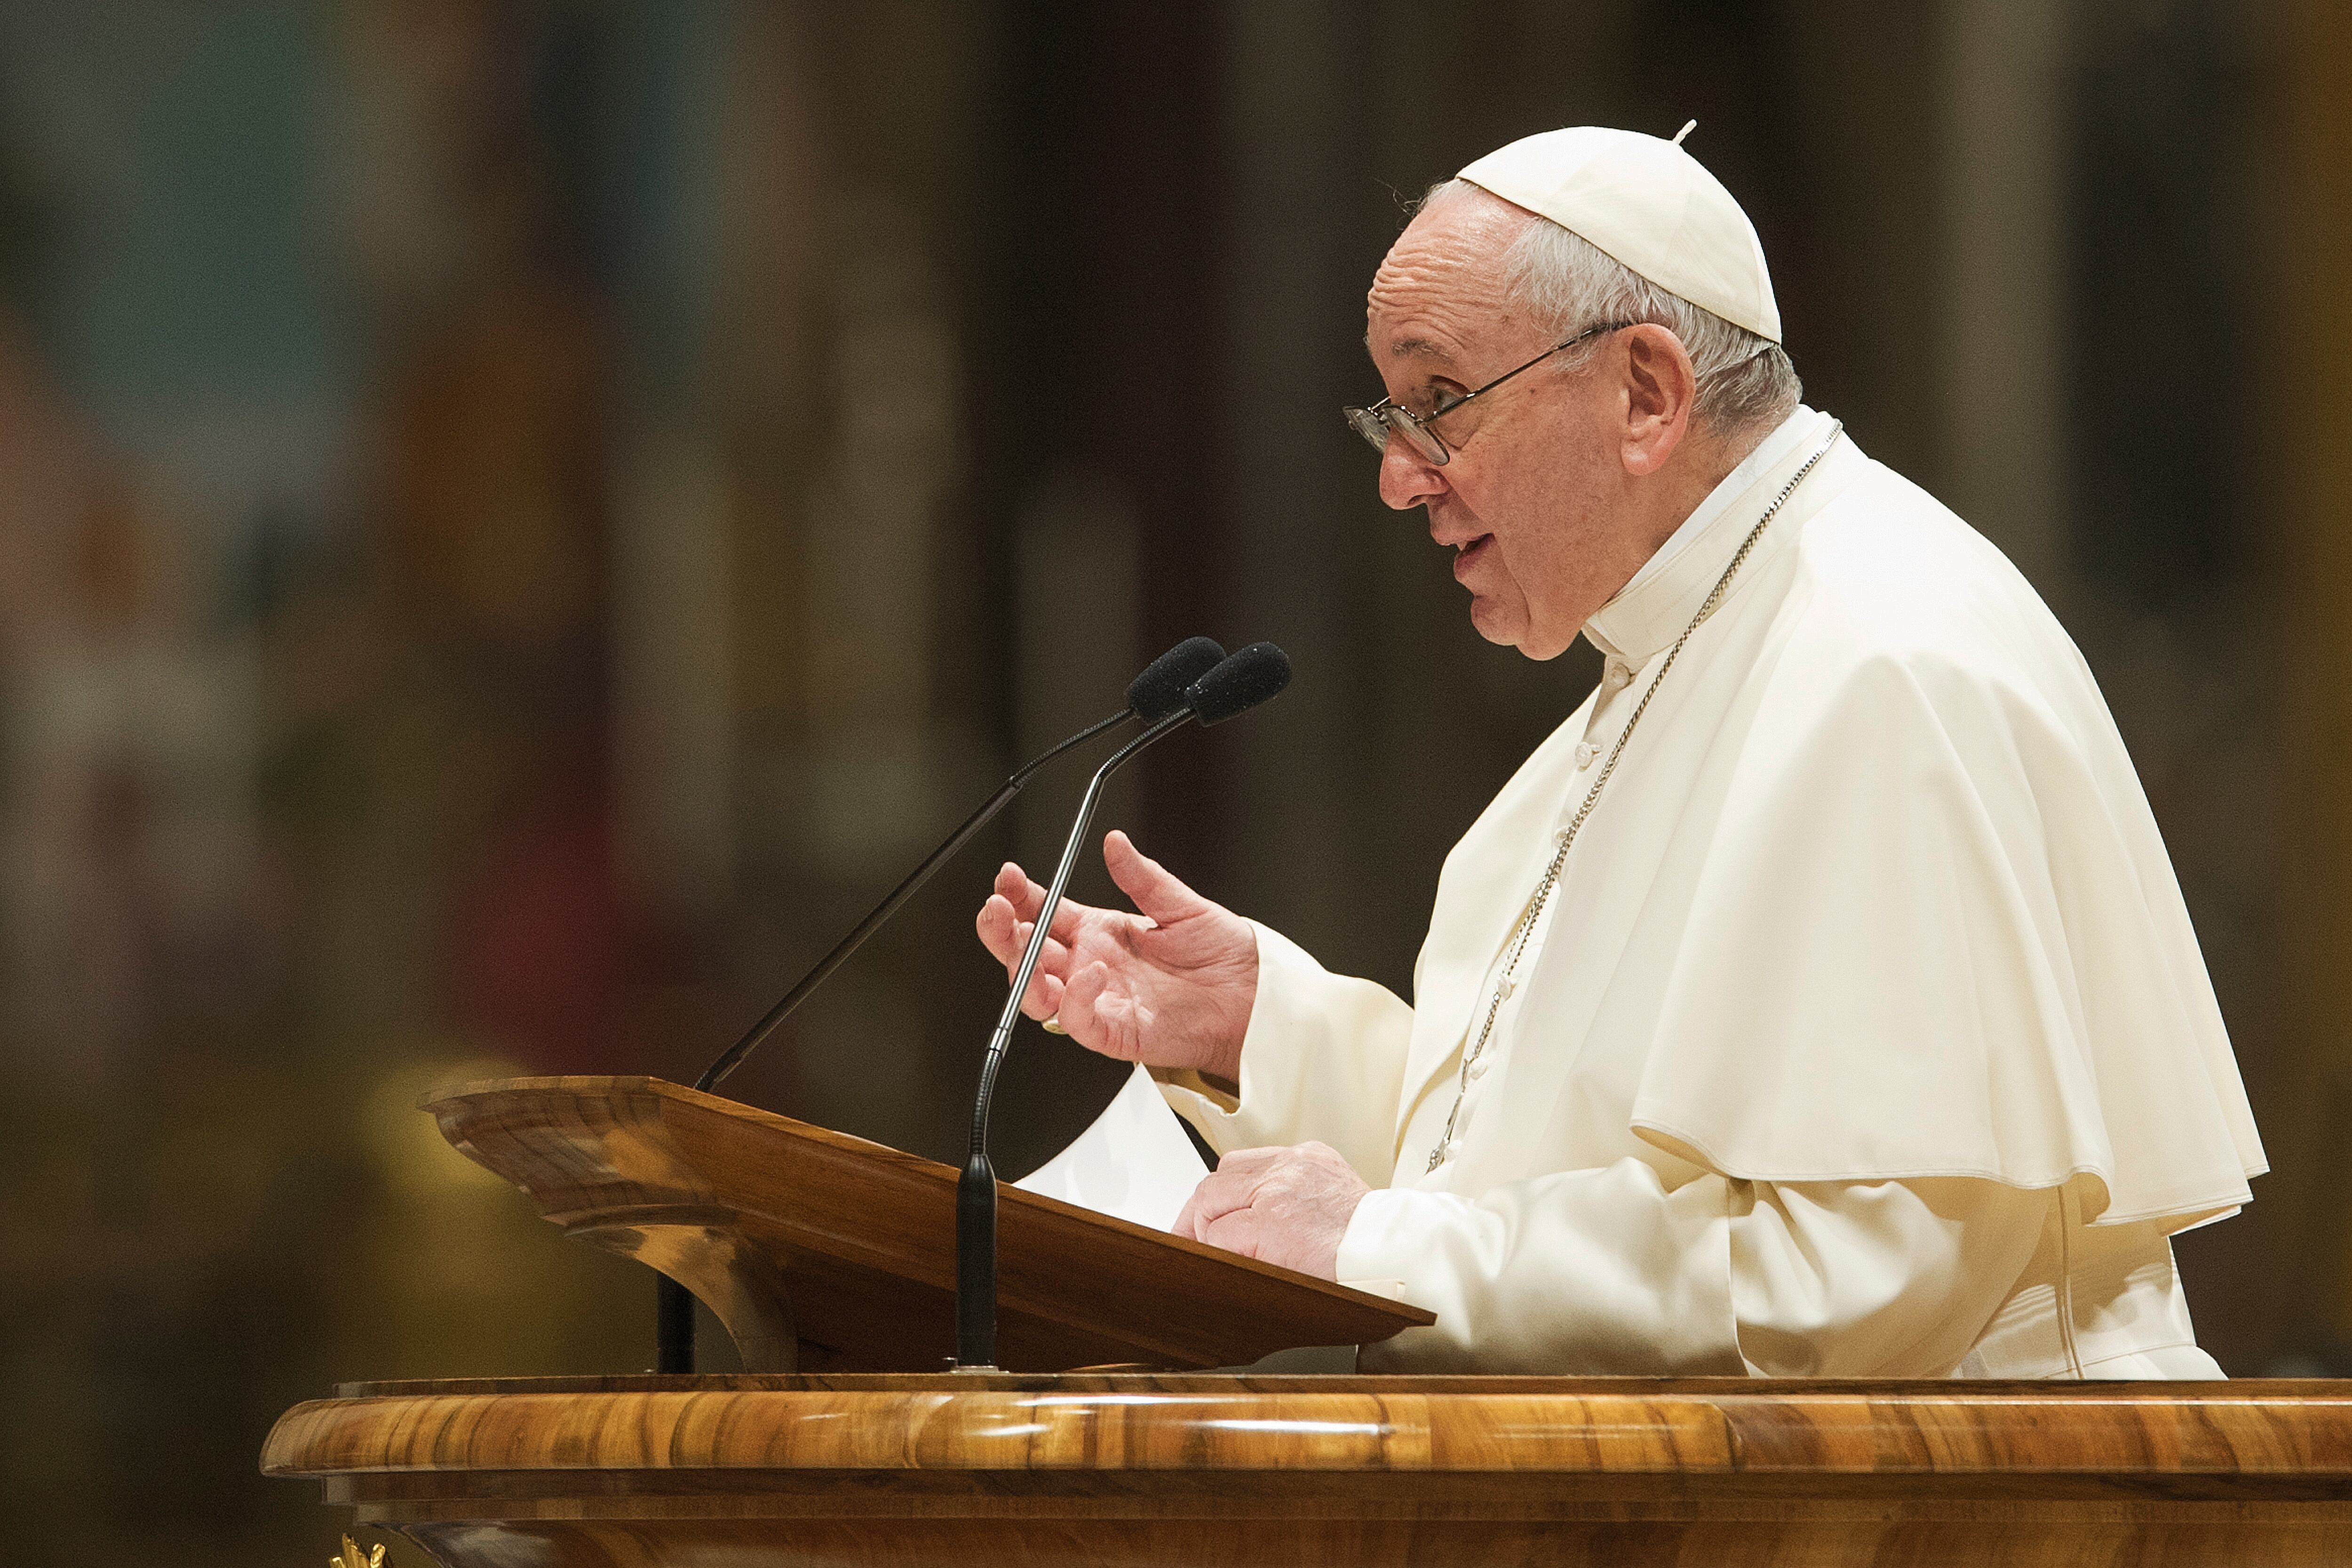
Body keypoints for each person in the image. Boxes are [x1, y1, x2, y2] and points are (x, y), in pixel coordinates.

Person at [974, 126, 2265, 1377]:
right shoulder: (1690, 647)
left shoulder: (1877, 660)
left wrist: (1377, 1246)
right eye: (1393, 414)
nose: (1400, 478)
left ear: (1646, 392)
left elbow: (1858, 1272)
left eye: (1442, 402)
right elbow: (1563, 1162)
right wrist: (1267, 1030)